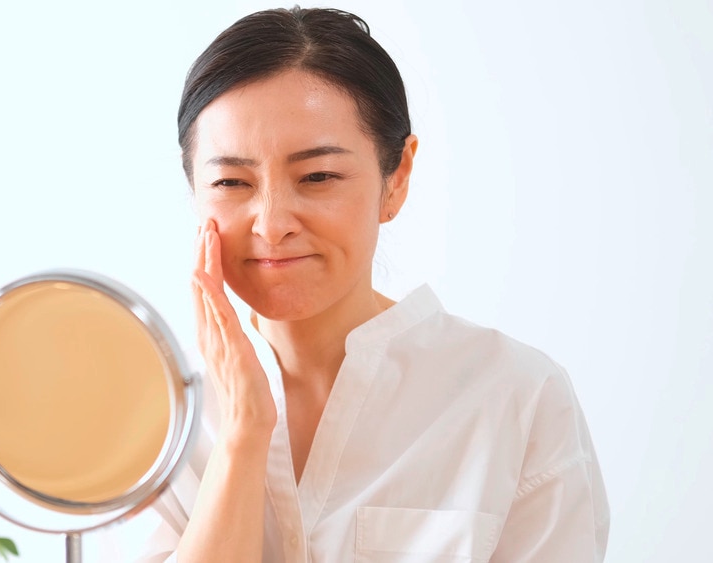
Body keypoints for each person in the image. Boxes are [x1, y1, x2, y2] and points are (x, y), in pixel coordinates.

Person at [137, 6, 609, 562]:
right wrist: (243, 432)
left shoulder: (516, 398)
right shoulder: (159, 419)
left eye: (318, 176)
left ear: (397, 178)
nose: (272, 223)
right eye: (231, 181)